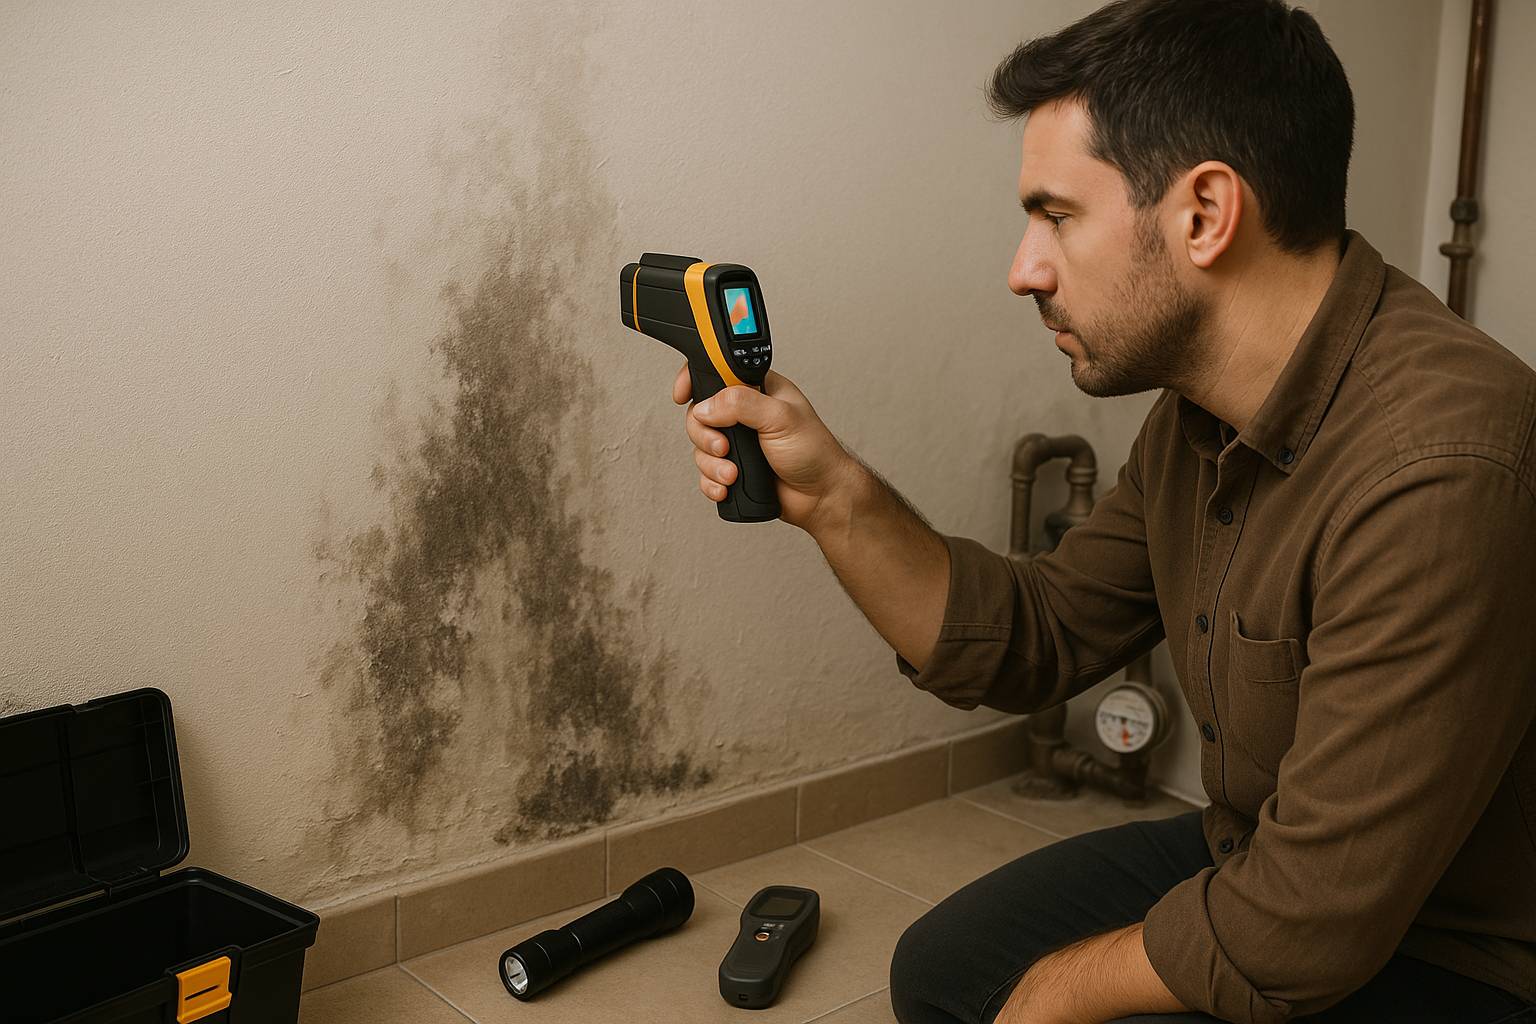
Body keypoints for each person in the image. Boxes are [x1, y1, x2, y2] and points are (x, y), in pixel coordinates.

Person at [672, 0, 1536, 1021]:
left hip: (1448, 952)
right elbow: (1038, 633)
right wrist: (835, 500)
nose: (1022, 268)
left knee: (1040, 991)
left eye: (1058, 216)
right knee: (951, 969)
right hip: (1266, 853)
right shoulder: (1199, 416)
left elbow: (1307, 923)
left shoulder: (1440, 463)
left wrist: (1058, 991)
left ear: (1205, 214)